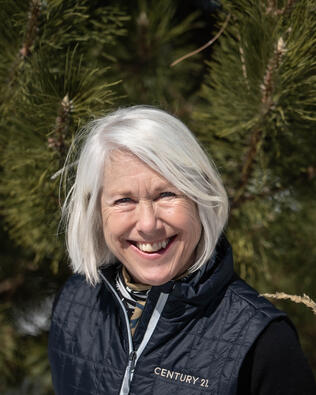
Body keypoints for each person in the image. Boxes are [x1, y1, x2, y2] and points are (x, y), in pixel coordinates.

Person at [48, 106, 316, 394]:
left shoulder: (261, 340)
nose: (148, 224)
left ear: (200, 198)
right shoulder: (74, 304)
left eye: (166, 194)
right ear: (96, 212)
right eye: (124, 200)